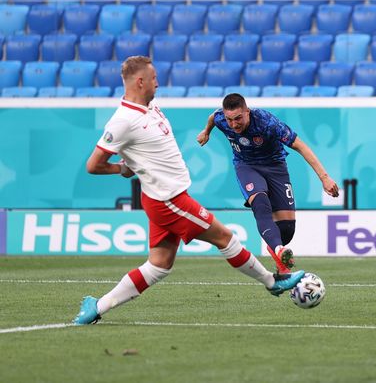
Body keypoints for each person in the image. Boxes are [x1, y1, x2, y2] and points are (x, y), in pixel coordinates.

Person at [74, 56, 304, 325]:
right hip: (168, 200)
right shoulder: (122, 121)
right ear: (140, 81)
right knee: (226, 238)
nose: (158, 84)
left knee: (158, 266)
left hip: (161, 196)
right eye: (154, 78)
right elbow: (94, 165)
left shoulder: (150, 107)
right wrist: (123, 169)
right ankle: (272, 281)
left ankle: (96, 306)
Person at [197, 93, 339, 273]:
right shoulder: (220, 119)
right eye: (230, 120)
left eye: (238, 118)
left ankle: (279, 249)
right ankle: (280, 253)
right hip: (246, 166)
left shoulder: (267, 123)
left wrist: (324, 178)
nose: (234, 124)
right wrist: (206, 131)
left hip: (275, 166)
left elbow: (300, 145)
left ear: (247, 112)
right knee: (260, 202)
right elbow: (213, 117)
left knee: (286, 230)